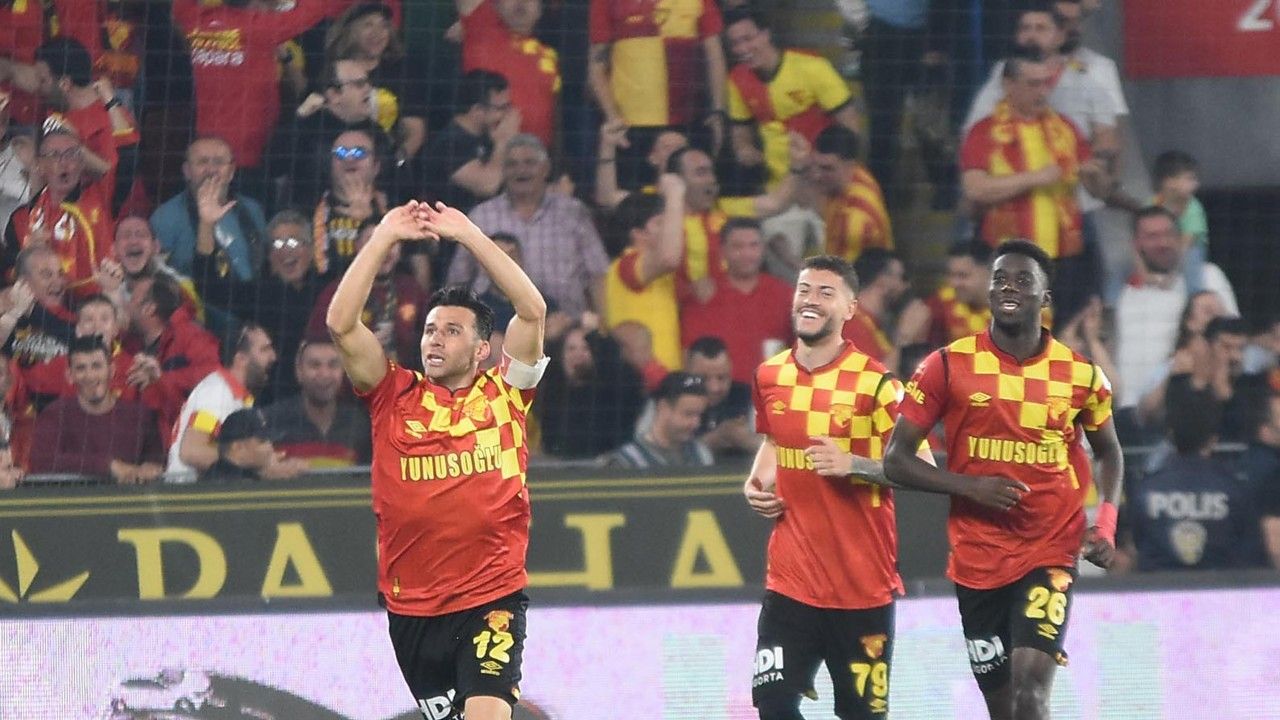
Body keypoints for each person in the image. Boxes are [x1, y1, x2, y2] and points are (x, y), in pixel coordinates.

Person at [325, 199, 548, 720]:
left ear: (481, 349)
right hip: (412, 608)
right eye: (430, 329)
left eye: (451, 330)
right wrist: (383, 237)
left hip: (492, 596)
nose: (435, 339)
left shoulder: (507, 394)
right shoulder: (391, 394)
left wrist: (469, 235)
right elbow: (341, 325)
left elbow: (532, 311)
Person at [883, 240, 1124, 720]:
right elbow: (896, 460)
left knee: (1030, 692)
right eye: (999, 279)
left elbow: (1109, 452)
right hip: (977, 558)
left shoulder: (1081, 375)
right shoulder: (946, 365)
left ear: (1045, 297)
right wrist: (969, 486)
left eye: (1022, 280)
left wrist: (1106, 524)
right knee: (1003, 707)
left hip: (1050, 547)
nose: (1008, 287)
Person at [742, 254, 910, 720]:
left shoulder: (878, 384)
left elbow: (918, 466)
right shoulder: (769, 375)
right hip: (790, 583)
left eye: (825, 292)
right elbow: (775, 440)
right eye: (804, 290)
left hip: (862, 588)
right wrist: (756, 481)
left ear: (850, 308)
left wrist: (853, 464)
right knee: (773, 705)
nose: (810, 300)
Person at [960, 49, 1109, 323]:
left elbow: (1099, 192)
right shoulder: (984, 132)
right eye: (1033, 84)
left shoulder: (1066, 128)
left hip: (1065, 258)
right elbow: (975, 189)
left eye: (1046, 83)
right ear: (1009, 85)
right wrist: (1034, 178)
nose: (1043, 92)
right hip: (1010, 258)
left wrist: (1096, 175)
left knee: (1067, 331)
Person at [447, 134, 608, 321]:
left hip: (565, 326)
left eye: (529, 163)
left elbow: (598, 274)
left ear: (546, 169)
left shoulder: (573, 213)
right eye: (512, 164)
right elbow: (457, 281)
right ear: (503, 171)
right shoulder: (481, 217)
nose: (521, 170)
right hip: (495, 327)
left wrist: (604, 327)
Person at [1120, 384, 1264, 572]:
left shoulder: (1145, 489)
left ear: (1171, 435)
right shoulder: (1234, 490)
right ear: (1213, 439)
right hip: (1218, 586)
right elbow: (1251, 556)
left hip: (1159, 587)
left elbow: (1135, 544)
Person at [723, 9, 860, 189]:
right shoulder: (737, 80)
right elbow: (740, 132)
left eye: (748, 39)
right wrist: (744, 149)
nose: (742, 49)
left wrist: (841, 171)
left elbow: (849, 121)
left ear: (766, 34)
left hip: (820, 179)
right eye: (735, 43)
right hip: (779, 185)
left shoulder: (811, 66)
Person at [167, 323, 304, 481]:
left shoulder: (235, 395)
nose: (273, 356)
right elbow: (192, 451)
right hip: (189, 491)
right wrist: (254, 464)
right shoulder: (216, 393)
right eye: (264, 349)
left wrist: (267, 461)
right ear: (241, 359)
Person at [28, 336, 164, 483]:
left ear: (111, 371)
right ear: (69, 376)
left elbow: (156, 462)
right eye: (81, 368)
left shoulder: (140, 416)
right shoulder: (54, 415)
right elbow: (42, 462)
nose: (90, 376)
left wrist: (149, 469)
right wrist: (109, 466)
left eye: (97, 366)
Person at [678, 217, 792, 382]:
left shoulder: (785, 293)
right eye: (738, 246)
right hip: (720, 392)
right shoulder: (703, 295)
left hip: (771, 389)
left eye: (754, 245)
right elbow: (689, 356)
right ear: (722, 251)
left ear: (763, 249)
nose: (747, 254)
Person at [150, 136, 267, 286]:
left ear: (231, 171)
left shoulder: (253, 210)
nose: (211, 170)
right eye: (202, 162)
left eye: (219, 162)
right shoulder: (165, 217)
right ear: (187, 171)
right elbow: (155, 275)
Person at [603, 180, 685, 373]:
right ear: (638, 234)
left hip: (666, 377)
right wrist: (675, 194)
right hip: (641, 380)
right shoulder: (625, 265)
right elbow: (669, 258)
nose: (670, 228)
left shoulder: (663, 275)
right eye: (660, 223)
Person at [455, 0, 560, 148]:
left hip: (537, 155)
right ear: (496, 5)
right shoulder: (482, 28)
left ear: (540, 11)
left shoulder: (551, 55)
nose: (521, 2)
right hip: (487, 150)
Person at [536, 320, 645, 459]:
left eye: (586, 348)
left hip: (608, 467)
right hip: (560, 467)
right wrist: (551, 340)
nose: (578, 354)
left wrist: (596, 335)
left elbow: (624, 375)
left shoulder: (611, 394)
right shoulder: (551, 394)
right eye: (571, 348)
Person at [262, 339, 372, 467]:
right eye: (315, 365)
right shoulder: (271, 422)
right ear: (299, 371)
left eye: (333, 365)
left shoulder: (359, 424)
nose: (324, 374)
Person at [421, 70, 519, 212]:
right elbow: (487, 186)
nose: (508, 115)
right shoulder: (448, 144)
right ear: (477, 110)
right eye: (501, 108)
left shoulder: (489, 136)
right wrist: (503, 142)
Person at [811, 125, 893, 265]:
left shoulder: (855, 222)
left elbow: (839, 276)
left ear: (849, 166)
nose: (817, 175)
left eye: (827, 169)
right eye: (816, 166)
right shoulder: (858, 176)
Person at [604, 371, 713, 469]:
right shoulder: (627, 462)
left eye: (699, 415)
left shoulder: (702, 456)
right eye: (688, 414)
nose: (696, 423)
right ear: (663, 407)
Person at [684, 336, 756, 456]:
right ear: (687, 371)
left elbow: (778, 454)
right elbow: (662, 455)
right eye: (703, 378)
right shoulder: (672, 400)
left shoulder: (750, 399)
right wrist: (714, 439)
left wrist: (747, 440)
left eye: (722, 378)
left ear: (731, 370)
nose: (714, 388)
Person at [1151, 150, 1208, 295]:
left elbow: (1185, 246)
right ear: (1169, 181)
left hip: (1187, 248)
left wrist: (1171, 276)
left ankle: (1194, 297)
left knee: (1191, 259)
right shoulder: (1152, 204)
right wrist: (1144, 273)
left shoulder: (1193, 208)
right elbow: (1139, 240)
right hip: (1161, 246)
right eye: (1189, 179)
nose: (1196, 184)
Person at [926, 240, 993, 348]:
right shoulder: (941, 304)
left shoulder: (1012, 309)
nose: (954, 283)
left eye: (963, 275)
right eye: (950, 275)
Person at [200, 407, 282, 483]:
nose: (270, 447)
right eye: (262, 441)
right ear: (238, 447)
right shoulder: (230, 484)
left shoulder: (248, 476)